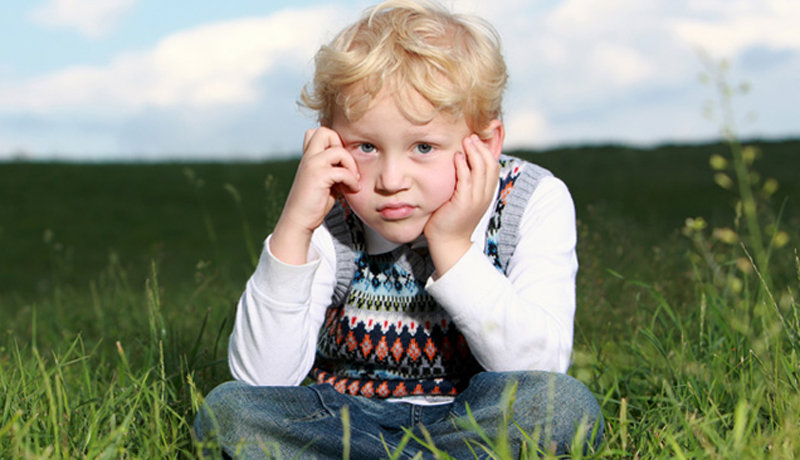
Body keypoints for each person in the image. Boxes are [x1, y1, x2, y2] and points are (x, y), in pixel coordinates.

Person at [194, 0, 603, 457]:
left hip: (470, 420)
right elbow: (261, 379)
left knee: (562, 407)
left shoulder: (531, 201)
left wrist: (451, 246)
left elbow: (539, 369)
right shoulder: (331, 211)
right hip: (346, 422)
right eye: (366, 146)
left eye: (423, 147)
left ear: (485, 144)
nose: (390, 181)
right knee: (226, 412)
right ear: (327, 140)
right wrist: (295, 227)